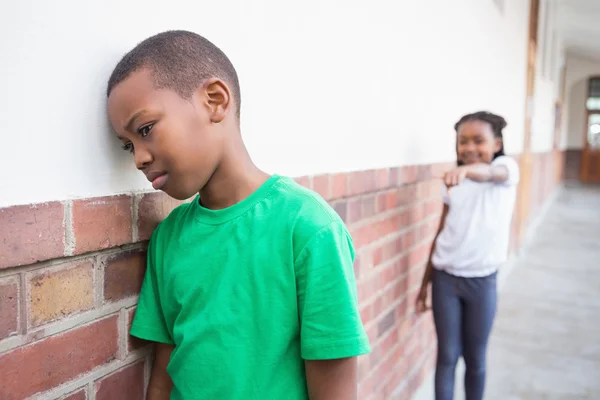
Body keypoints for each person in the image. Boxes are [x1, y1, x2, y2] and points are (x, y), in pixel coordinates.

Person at [106, 30, 370, 400]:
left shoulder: (309, 227)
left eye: (146, 129)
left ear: (215, 101)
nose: (139, 158)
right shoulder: (168, 238)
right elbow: (164, 374)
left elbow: (335, 391)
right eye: (128, 146)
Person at [416, 111, 519, 400]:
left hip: (482, 282)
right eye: (463, 142)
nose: (470, 148)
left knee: (475, 357)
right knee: (447, 355)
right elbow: (440, 232)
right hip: (445, 279)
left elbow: (491, 173)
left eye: (479, 141)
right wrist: (425, 284)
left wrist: (466, 171)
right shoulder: (452, 183)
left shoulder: (506, 169)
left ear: (496, 144)